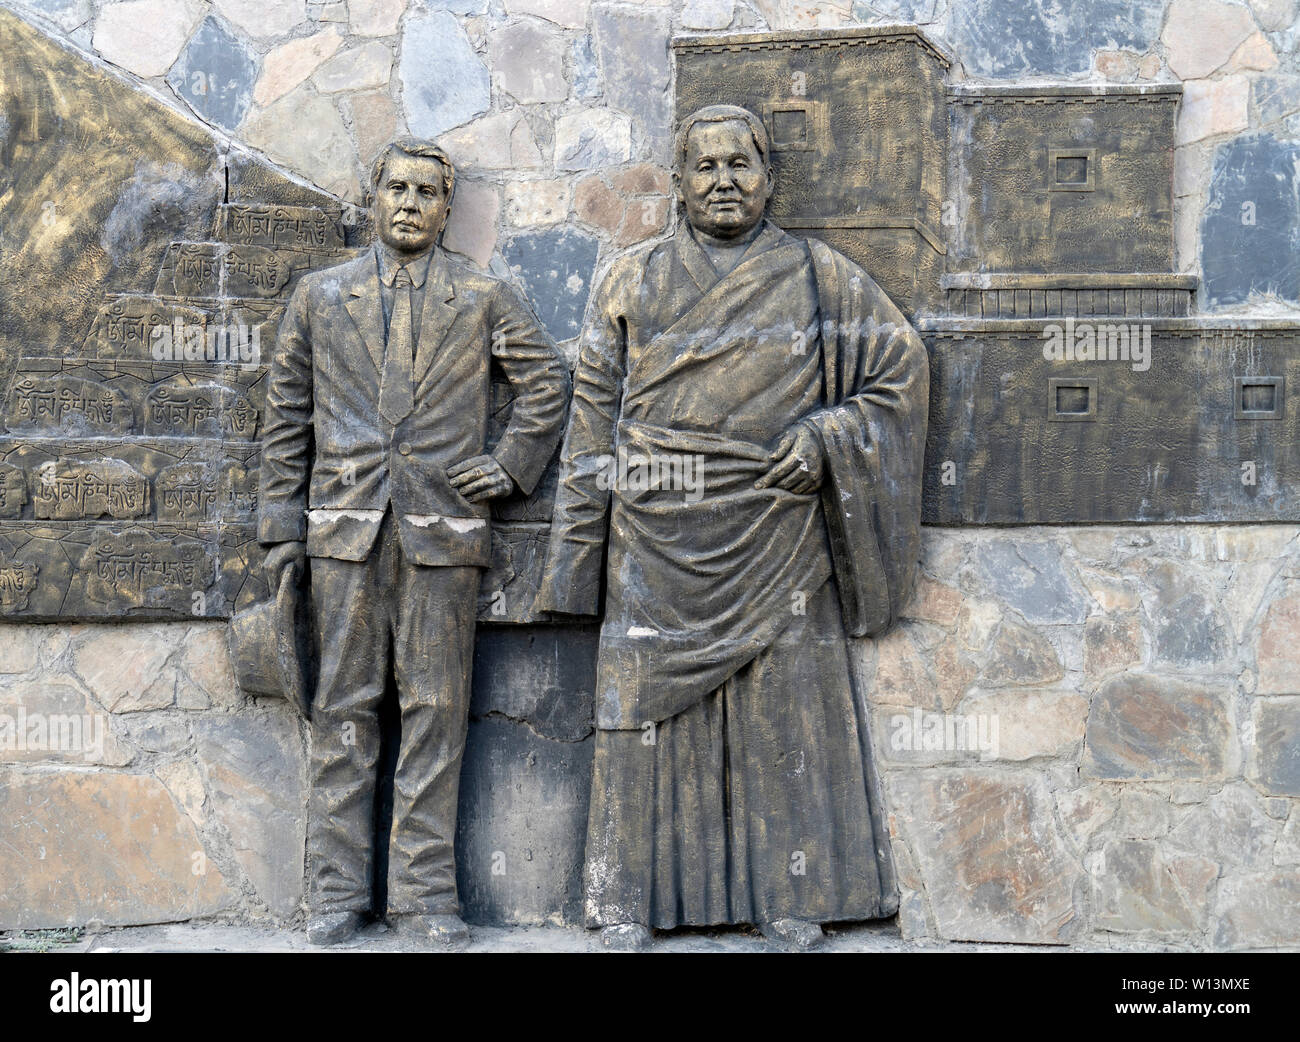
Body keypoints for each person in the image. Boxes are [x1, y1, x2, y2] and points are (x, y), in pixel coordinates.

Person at [535, 105, 928, 951]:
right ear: (677, 183)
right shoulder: (631, 281)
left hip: (778, 533)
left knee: (781, 716)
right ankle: (627, 898)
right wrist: (575, 561)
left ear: (768, 176)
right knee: (640, 717)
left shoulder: (822, 278)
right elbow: (590, 422)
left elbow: (899, 373)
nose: (722, 182)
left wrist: (827, 437)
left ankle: (789, 892)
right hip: (654, 539)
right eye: (703, 167)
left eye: (739, 165)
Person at [258, 138, 569, 948]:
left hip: (444, 535)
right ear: (373, 195)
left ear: (445, 205)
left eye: (427, 192)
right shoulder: (320, 298)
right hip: (343, 537)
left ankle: (424, 898)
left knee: (436, 713)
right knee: (344, 710)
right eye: (396, 187)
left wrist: (510, 466)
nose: (409, 203)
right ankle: (335, 891)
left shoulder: (482, 295)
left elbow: (547, 385)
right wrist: (279, 532)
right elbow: (286, 417)